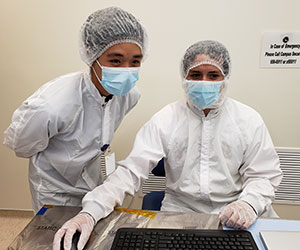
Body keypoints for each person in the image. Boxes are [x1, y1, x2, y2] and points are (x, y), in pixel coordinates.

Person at [53, 40, 282, 250]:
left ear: (225, 79)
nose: (204, 82)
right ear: (184, 78)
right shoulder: (166, 119)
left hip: (236, 214)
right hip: (179, 213)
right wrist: (90, 212)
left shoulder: (248, 120)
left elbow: (263, 175)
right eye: (196, 74)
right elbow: (131, 171)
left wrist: (249, 205)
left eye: (213, 75)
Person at [3, 6, 148, 214]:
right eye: (115, 60)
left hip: (94, 185)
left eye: (135, 61)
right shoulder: (52, 105)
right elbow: (22, 145)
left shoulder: (130, 95)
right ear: (91, 54)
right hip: (55, 191)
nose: (127, 70)